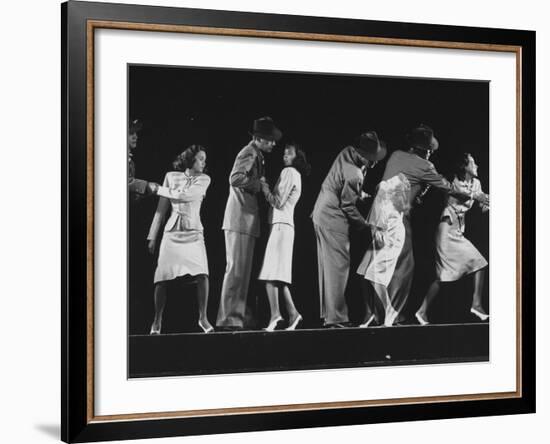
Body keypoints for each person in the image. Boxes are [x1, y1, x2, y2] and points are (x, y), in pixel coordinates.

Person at [356, 124, 489, 326]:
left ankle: (374, 313)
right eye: (428, 151)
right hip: (396, 217)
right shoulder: (425, 166)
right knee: (403, 266)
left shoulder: (396, 155)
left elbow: (399, 183)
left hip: (377, 214)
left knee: (372, 260)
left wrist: (418, 192)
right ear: (421, 149)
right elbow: (448, 187)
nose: (430, 154)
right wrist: (476, 196)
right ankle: (392, 315)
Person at [311, 131, 387, 328]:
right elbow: (348, 207)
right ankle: (336, 318)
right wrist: (367, 225)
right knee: (338, 268)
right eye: (371, 159)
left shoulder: (347, 152)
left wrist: (359, 193)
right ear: (361, 155)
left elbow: (342, 181)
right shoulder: (355, 174)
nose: (374, 163)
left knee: (329, 269)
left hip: (320, 212)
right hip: (332, 218)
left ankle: (330, 316)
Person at [216, 117, 283, 331]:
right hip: (239, 218)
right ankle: (228, 319)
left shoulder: (257, 154)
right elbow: (234, 178)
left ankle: (237, 316)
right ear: (258, 138)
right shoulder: (249, 152)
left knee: (241, 271)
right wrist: (258, 184)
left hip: (246, 219)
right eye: (269, 140)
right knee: (236, 269)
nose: (273, 143)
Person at [415, 153, 489, 325]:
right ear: (464, 167)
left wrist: (487, 203)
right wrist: (477, 197)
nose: (476, 166)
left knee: (443, 275)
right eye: (473, 163)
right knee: (479, 263)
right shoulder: (453, 181)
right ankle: (476, 305)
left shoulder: (476, 183)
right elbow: (461, 195)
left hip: (458, 231)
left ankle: (421, 311)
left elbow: (481, 205)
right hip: (446, 230)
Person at [146, 145, 214, 334]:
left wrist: (158, 189)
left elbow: (185, 196)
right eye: (201, 158)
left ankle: (203, 318)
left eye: (204, 159)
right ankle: (157, 320)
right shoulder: (171, 176)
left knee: (202, 274)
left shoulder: (204, 179)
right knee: (161, 277)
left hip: (194, 233)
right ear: (191, 160)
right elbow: (161, 209)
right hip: (172, 233)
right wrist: (153, 236)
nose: (204, 162)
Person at [258, 144, 311, 331]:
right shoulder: (294, 174)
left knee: (269, 275)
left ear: (297, 157)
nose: (285, 156)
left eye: (289, 153)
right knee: (278, 276)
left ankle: (275, 315)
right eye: (284, 153)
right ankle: (293, 314)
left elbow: (278, 202)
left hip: (282, 226)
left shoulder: (289, 172)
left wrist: (264, 185)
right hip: (284, 227)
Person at [356, 173, 411, 327]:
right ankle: (374, 312)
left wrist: (378, 231)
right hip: (385, 236)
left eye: (393, 181)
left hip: (391, 238)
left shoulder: (390, 199)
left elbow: (381, 222)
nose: (388, 180)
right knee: (365, 272)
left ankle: (389, 310)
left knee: (374, 275)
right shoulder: (385, 196)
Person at [127, 119, 159, 200]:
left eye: (135, 133)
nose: (136, 137)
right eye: (131, 133)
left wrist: (147, 192)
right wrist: (146, 186)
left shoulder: (131, 162)